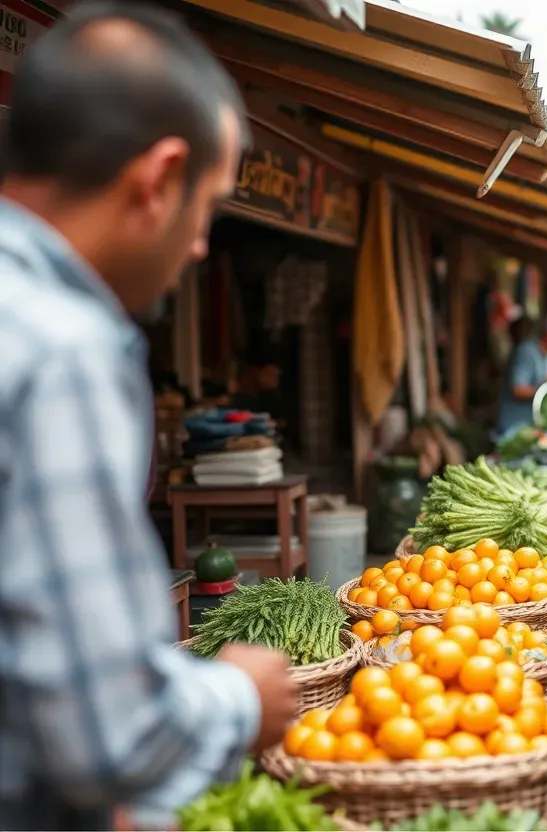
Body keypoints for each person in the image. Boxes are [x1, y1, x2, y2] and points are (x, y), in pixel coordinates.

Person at [0, 5, 298, 828]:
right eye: (208, 206)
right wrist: (240, 697)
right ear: (160, 176)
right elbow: (111, 735)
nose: (202, 245)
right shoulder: (65, 349)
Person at [497, 311, 547, 436]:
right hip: (515, 426)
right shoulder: (527, 352)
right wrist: (543, 387)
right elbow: (518, 390)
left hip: (534, 426)